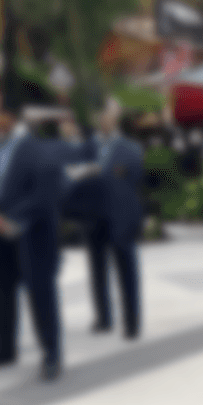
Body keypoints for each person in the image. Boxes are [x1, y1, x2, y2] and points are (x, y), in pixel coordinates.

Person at [0, 93, 64, 380]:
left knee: (39, 293)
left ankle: (51, 354)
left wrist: (8, 219)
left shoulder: (39, 149)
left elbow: (45, 195)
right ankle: (3, 350)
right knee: (1, 294)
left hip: (30, 233)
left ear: (10, 113)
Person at [72, 99, 144, 339]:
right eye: (100, 112)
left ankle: (131, 323)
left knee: (127, 271)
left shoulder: (132, 149)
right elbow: (73, 176)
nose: (104, 117)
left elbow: (134, 184)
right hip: (93, 217)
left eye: (109, 112)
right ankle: (103, 318)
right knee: (97, 269)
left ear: (118, 115)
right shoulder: (84, 147)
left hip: (121, 219)